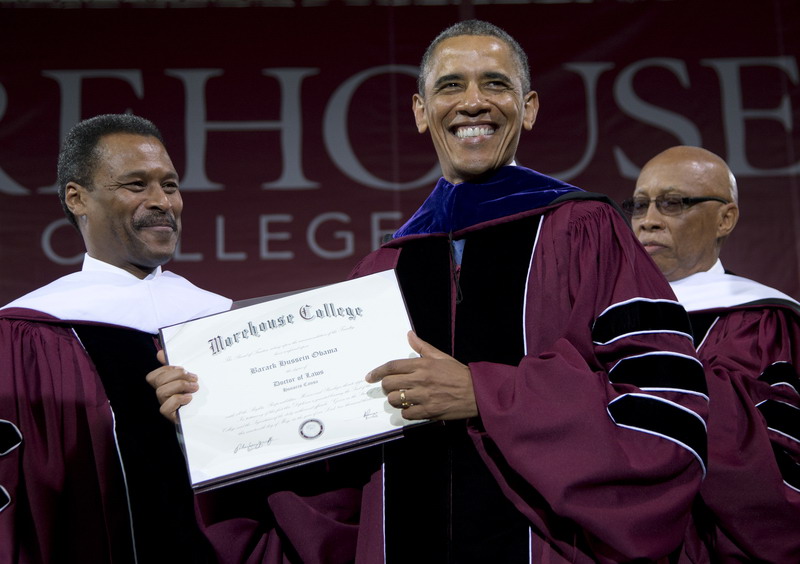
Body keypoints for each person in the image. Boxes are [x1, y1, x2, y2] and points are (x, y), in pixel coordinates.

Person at [152, 21, 708, 563]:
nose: (473, 103)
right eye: (449, 86)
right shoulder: (383, 271)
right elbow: (336, 465)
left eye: (495, 83)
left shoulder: (585, 229)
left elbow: (663, 405)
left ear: (529, 107)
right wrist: (216, 417)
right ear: (421, 113)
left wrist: (486, 396)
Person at [0, 114, 232, 563]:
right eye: (135, 184)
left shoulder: (221, 318)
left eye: (170, 184)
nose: (162, 201)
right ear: (77, 198)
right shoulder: (26, 335)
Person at [627, 145, 800, 562]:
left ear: (726, 218)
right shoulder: (606, 319)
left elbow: (772, 466)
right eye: (638, 206)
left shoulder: (762, 321)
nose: (648, 221)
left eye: (673, 204)